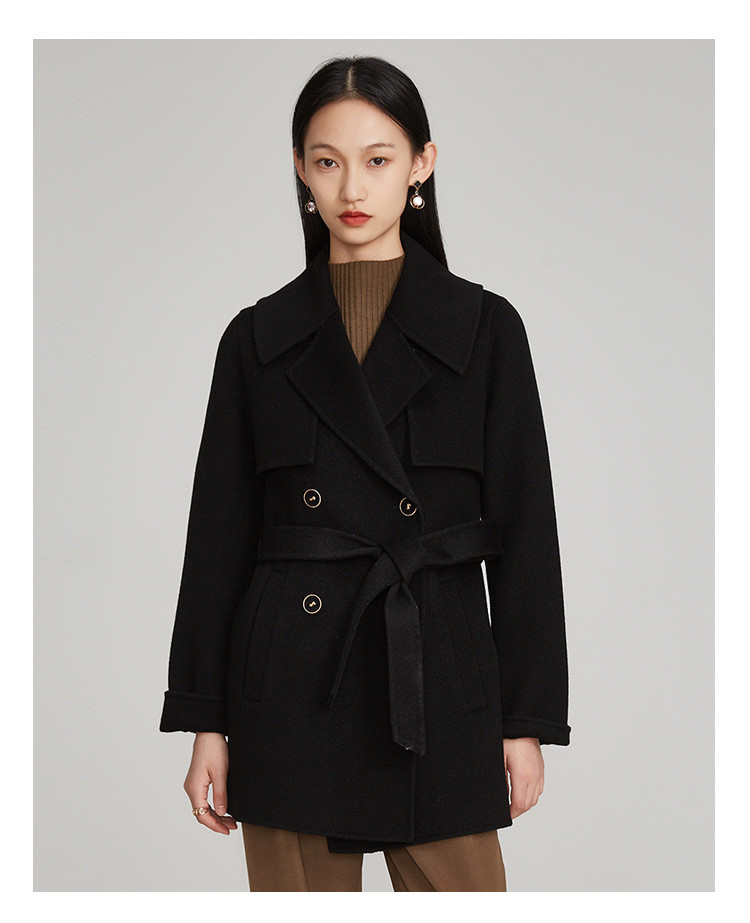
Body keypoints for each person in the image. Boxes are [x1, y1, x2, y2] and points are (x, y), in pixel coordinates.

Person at [159, 55, 571, 892]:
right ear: (301, 170)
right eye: (327, 160)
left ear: (421, 163)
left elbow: (529, 535)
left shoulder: (485, 329)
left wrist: (525, 719)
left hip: (439, 679)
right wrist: (206, 721)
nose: (352, 186)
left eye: (378, 159)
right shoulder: (257, 339)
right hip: (288, 689)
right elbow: (217, 541)